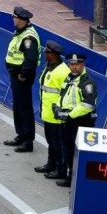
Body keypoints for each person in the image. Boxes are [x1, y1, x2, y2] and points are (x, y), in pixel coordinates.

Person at [54, 52, 98, 188]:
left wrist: (70, 114)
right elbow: (63, 96)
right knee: (68, 152)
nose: (74, 67)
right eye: (72, 64)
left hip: (81, 122)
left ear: (83, 64)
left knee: (78, 154)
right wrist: (57, 106)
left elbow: (88, 105)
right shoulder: (69, 78)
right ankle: (70, 178)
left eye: (77, 64)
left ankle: (78, 182)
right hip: (69, 122)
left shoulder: (87, 82)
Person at [4, 7, 40, 153]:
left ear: (20, 19)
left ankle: (28, 140)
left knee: (24, 108)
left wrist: (22, 75)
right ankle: (21, 134)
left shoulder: (28, 38)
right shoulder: (21, 33)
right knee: (18, 106)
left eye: (14, 17)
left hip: (22, 77)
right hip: (16, 75)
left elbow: (30, 61)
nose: (13, 19)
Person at [35, 42, 69, 180]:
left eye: (46, 52)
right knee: (51, 141)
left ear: (52, 54)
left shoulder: (63, 71)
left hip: (56, 114)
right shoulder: (49, 67)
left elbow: (65, 93)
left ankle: (60, 169)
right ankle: (51, 164)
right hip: (47, 111)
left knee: (57, 143)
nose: (44, 54)